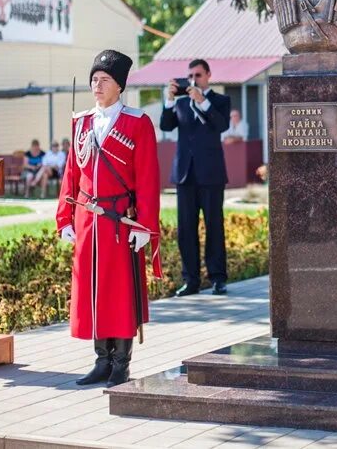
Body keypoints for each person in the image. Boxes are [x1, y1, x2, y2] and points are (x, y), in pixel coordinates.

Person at [56, 49, 161, 387]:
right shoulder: (81, 122)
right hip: (88, 220)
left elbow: (147, 178)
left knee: (119, 293)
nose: (96, 85)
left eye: (104, 80)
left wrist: (145, 225)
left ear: (120, 86)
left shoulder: (137, 123)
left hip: (120, 220)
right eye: (94, 80)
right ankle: (101, 361)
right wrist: (65, 219)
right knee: (91, 292)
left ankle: (121, 364)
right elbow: (71, 173)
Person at [159, 58, 231, 296]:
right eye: (190, 76)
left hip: (211, 174)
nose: (193, 80)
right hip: (185, 174)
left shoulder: (220, 100)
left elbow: (221, 126)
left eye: (198, 75)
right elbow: (166, 126)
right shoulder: (180, 104)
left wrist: (204, 102)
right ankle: (191, 280)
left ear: (208, 75)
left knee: (214, 227)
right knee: (186, 230)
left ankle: (218, 278)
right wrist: (169, 100)